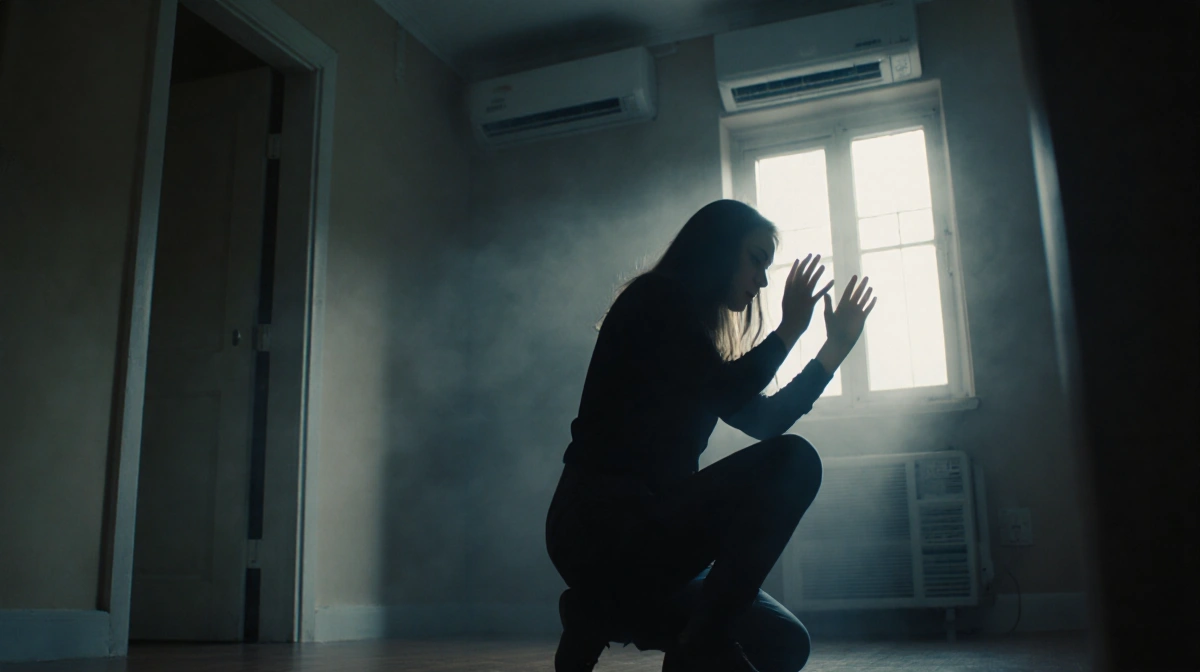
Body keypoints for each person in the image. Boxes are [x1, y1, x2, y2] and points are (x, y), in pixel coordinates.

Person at [545, 200, 877, 672]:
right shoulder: (655, 300)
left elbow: (762, 421)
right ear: (719, 250)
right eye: (757, 259)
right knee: (794, 461)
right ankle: (692, 638)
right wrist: (789, 329)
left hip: (659, 538)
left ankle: (603, 611)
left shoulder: (697, 338)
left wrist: (834, 348)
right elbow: (730, 392)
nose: (763, 280)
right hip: (600, 528)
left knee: (784, 644)